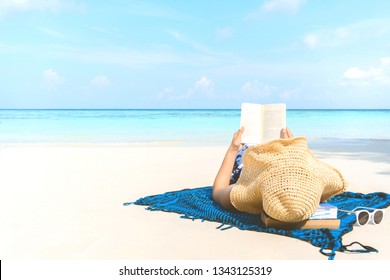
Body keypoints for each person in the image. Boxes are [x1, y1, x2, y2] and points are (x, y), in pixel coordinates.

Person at [212, 127, 294, 211]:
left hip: (246, 157)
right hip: (280, 157)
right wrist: (291, 150)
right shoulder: (285, 186)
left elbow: (218, 191)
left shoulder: (244, 193)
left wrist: (233, 148)